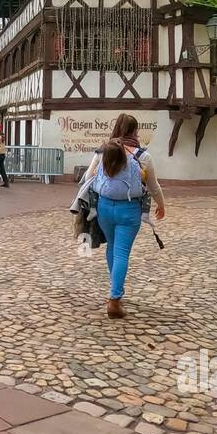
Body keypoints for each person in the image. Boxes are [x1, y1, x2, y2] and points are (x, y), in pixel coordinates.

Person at [83, 113, 167, 319]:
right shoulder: (143, 156)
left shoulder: (104, 151)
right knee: (121, 252)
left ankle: (115, 290)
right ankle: (114, 299)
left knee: (112, 248)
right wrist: (161, 204)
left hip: (104, 207)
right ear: (134, 131)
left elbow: (87, 177)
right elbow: (154, 186)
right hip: (129, 209)